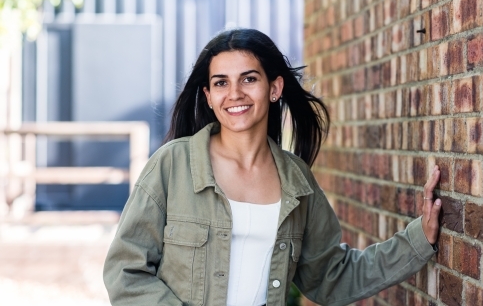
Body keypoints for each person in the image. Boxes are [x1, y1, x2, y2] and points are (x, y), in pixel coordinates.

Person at [103, 28, 442, 306]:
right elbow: (126, 270)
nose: (234, 93)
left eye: (248, 79)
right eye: (221, 83)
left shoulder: (296, 181)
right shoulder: (171, 165)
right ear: (208, 96)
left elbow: (331, 277)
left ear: (274, 88)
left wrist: (418, 240)